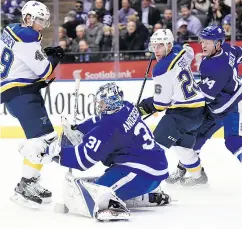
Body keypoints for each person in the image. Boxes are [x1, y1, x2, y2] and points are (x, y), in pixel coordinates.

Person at [18, 82, 171, 221]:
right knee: (96, 186)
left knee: (94, 194)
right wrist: (78, 129)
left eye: (102, 103)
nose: (100, 106)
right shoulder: (126, 107)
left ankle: (116, 207)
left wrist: (50, 153)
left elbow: (83, 160)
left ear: (111, 102)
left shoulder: (110, 126)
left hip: (141, 173)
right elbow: (98, 121)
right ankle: (149, 196)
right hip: (152, 168)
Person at [0, 1, 64, 206]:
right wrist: (54, 58)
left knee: (45, 140)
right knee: (44, 141)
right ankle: (25, 186)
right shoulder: (28, 37)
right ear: (27, 18)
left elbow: (23, 62)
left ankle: (31, 180)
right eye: (38, 20)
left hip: (16, 92)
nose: (41, 25)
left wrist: (45, 57)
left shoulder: (11, 29)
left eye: (44, 21)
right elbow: (46, 72)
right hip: (21, 94)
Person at [168, 25, 242, 186]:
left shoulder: (213, 66)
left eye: (208, 42)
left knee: (233, 142)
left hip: (229, 108)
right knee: (194, 140)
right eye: (203, 41)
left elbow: (206, 97)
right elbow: (239, 53)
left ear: (218, 43)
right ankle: (190, 173)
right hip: (220, 107)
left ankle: (186, 171)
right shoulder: (228, 49)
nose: (203, 45)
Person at [137, 29, 208, 185]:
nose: (156, 50)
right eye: (153, 46)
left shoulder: (161, 68)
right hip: (198, 111)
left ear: (169, 45)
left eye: (160, 46)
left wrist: (143, 107)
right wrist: (181, 44)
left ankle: (143, 182)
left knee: (154, 146)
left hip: (181, 114)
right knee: (183, 148)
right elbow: (188, 50)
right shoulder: (180, 53)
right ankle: (199, 179)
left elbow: (161, 104)